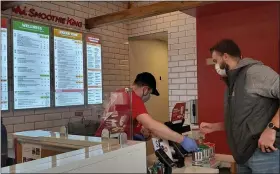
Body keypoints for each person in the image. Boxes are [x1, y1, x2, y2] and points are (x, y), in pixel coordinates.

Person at [200, 39, 279, 173]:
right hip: (242, 157)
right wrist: (215, 127)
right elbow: (243, 119)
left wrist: (272, 128)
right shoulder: (232, 83)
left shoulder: (255, 72)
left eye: (215, 61)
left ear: (225, 57)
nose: (215, 66)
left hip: (265, 155)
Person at [95, 72, 198, 152]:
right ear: (145, 89)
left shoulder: (121, 92)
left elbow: (120, 121)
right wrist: (182, 139)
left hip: (104, 142)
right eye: (149, 93)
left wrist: (141, 129)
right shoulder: (133, 98)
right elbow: (152, 125)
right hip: (111, 146)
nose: (149, 97)